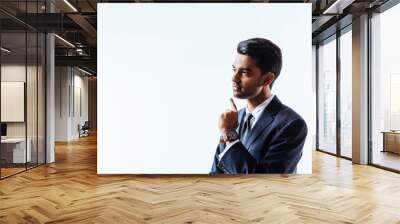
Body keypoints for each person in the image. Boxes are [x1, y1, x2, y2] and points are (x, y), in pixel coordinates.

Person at [210, 38, 307, 174]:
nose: (234, 78)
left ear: (267, 79)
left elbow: (265, 181)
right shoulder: (234, 119)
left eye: (244, 72)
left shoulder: (291, 124)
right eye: (234, 69)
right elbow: (216, 172)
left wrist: (229, 133)